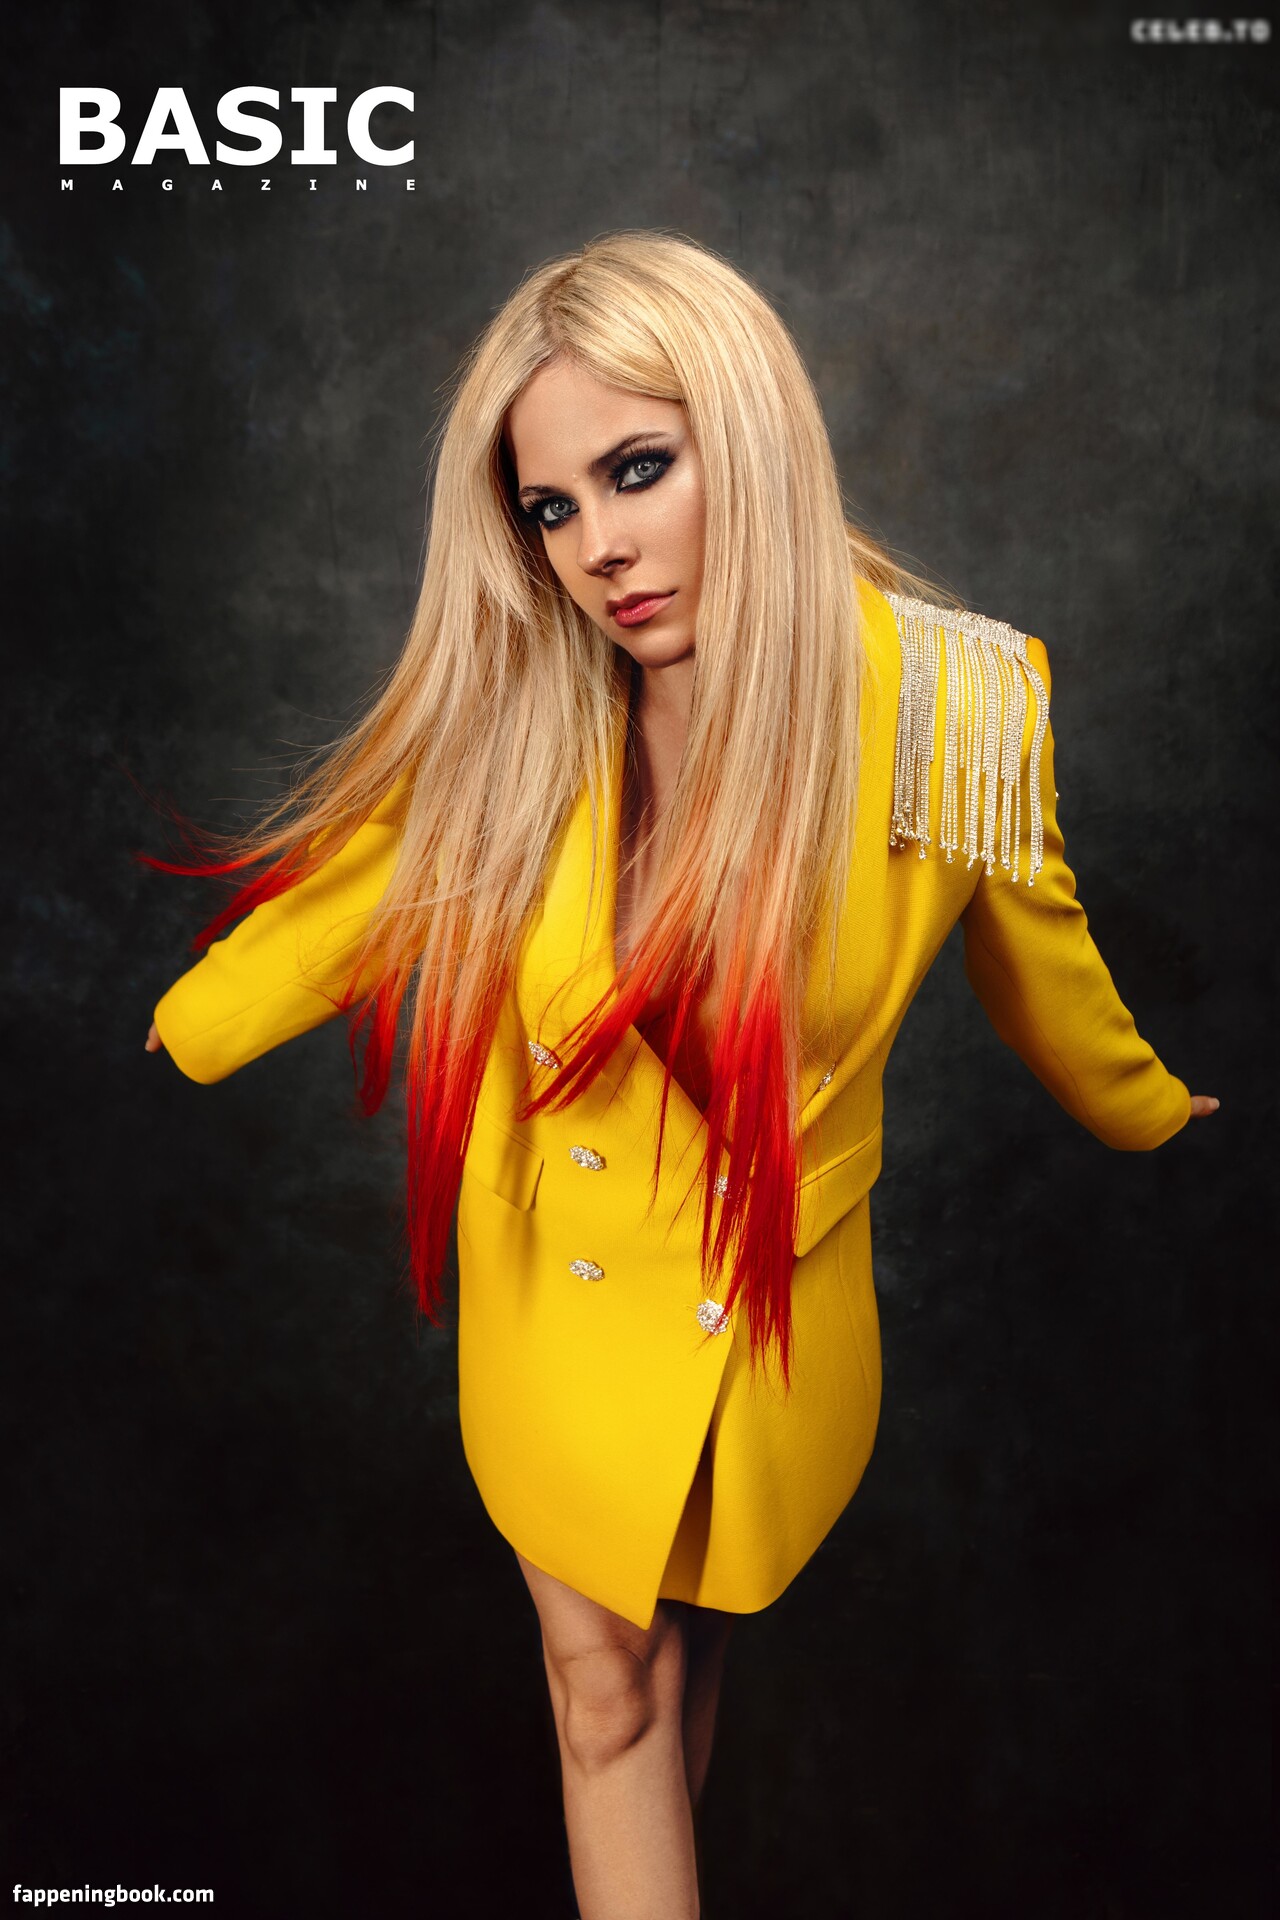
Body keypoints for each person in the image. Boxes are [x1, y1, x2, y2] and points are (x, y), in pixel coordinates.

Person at [140, 230, 1218, 1920]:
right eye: (550, 507)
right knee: (607, 1691)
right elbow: (363, 889)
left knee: (671, 1669)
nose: (599, 548)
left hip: (763, 1304)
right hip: (560, 1306)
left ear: (753, 438)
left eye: (638, 470)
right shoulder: (528, 711)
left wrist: (1146, 1103)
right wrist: (193, 1019)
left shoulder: (958, 703)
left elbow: (1043, 954)